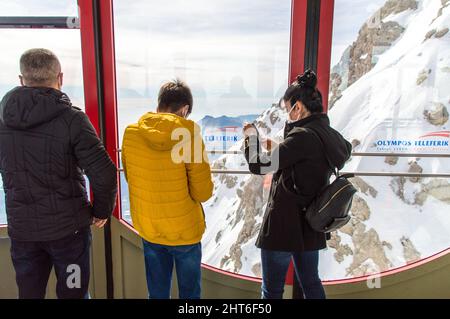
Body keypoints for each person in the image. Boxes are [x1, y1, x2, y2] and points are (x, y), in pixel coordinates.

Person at [0, 48, 118, 299]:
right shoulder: (72, 119)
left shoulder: (3, 121)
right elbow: (104, 172)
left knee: (29, 294)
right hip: (69, 234)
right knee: (74, 293)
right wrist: (101, 211)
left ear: (21, 80)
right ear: (60, 78)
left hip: (23, 233)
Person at [243, 70, 352, 299]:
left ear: (298, 107)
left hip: (283, 226)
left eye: (288, 109)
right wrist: (282, 149)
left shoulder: (302, 137)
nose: (288, 115)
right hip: (311, 225)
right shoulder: (329, 135)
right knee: (311, 284)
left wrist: (250, 138)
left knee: (271, 291)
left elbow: (258, 164)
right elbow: (308, 164)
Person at [122, 79, 213, 299]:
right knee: (190, 295)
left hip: (150, 227)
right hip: (184, 232)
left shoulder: (131, 134)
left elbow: (129, 176)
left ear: (160, 104)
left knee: (157, 293)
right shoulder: (189, 136)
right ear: (184, 110)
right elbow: (203, 193)